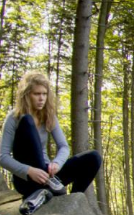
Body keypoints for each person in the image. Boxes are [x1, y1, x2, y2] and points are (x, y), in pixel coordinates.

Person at [0, 71, 101, 205]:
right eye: (36, 94)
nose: (41, 98)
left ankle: (73, 202)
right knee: (27, 120)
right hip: (27, 179)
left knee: (93, 157)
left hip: (49, 177)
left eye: (44, 94)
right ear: (26, 95)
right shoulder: (14, 118)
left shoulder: (48, 116)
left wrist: (57, 164)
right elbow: (2, 156)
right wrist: (29, 170)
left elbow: (64, 147)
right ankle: (42, 191)